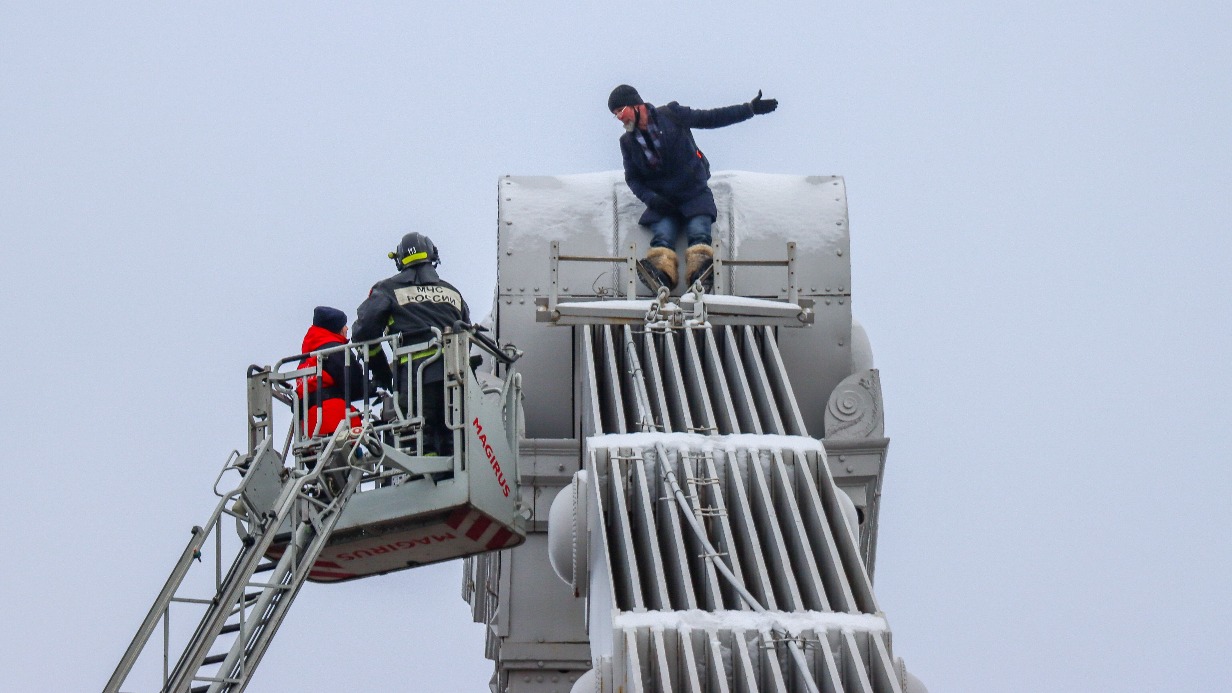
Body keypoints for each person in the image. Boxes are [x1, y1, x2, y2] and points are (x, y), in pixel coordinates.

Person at [608, 84, 778, 291]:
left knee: (699, 231)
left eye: (620, 110)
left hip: (693, 192)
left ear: (636, 105)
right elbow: (633, 178)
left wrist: (749, 109)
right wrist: (652, 199)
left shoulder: (671, 115)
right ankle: (660, 276)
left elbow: (710, 118)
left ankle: (701, 275)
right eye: (615, 114)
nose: (619, 117)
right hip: (664, 202)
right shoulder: (627, 142)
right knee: (662, 235)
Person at [353, 232, 471, 455]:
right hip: (454, 379)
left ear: (399, 260)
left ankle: (427, 479)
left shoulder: (387, 290)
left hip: (415, 381)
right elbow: (467, 334)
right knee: (451, 439)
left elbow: (365, 331)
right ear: (432, 255)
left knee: (420, 440)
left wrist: (383, 374)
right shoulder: (452, 292)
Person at [294, 306, 371, 437]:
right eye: (344, 325)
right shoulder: (337, 351)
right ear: (336, 328)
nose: (347, 329)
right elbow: (356, 385)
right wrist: (374, 385)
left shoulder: (306, 359)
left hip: (310, 427)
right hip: (338, 421)